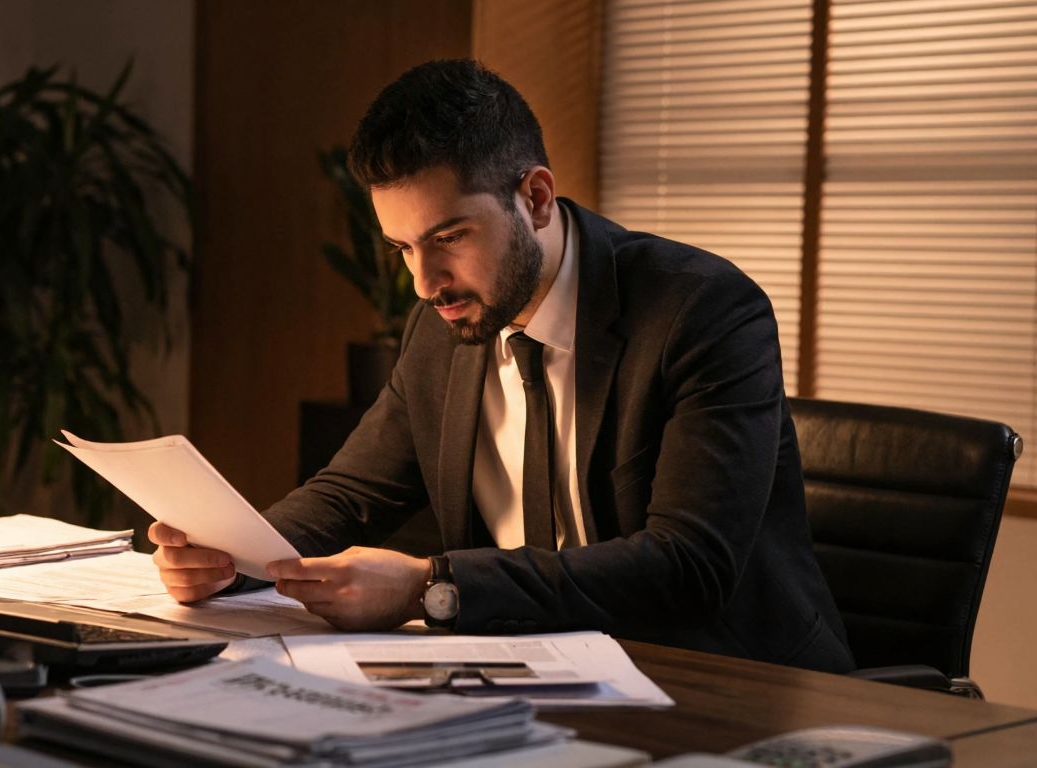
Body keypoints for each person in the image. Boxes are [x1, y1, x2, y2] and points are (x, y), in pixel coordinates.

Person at [152, 59, 854, 673]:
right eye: (402, 248)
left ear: (537, 198)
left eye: (449, 237)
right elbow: (349, 494)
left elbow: (688, 566)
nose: (426, 282)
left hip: (725, 682)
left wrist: (431, 583)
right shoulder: (443, 328)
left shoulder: (701, 313)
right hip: (534, 676)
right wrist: (234, 561)